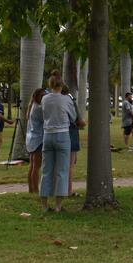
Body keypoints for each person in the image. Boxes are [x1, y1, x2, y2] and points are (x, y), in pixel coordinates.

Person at [40, 71, 77, 212]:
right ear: (61, 85)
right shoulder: (66, 99)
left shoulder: (44, 99)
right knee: (62, 170)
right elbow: (73, 117)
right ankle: (58, 206)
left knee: (46, 170)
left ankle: (44, 205)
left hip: (47, 135)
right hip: (62, 135)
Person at [62, 85, 86, 196]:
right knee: (70, 164)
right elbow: (79, 120)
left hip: (55, 134)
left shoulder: (50, 100)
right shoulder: (70, 101)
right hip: (71, 133)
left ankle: (58, 189)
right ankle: (68, 190)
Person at [26, 88, 46, 194]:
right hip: (38, 139)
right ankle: (35, 190)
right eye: (41, 96)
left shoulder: (32, 106)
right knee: (36, 167)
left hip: (31, 139)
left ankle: (31, 189)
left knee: (32, 165)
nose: (43, 97)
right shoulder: (38, 108)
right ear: (36, 97)